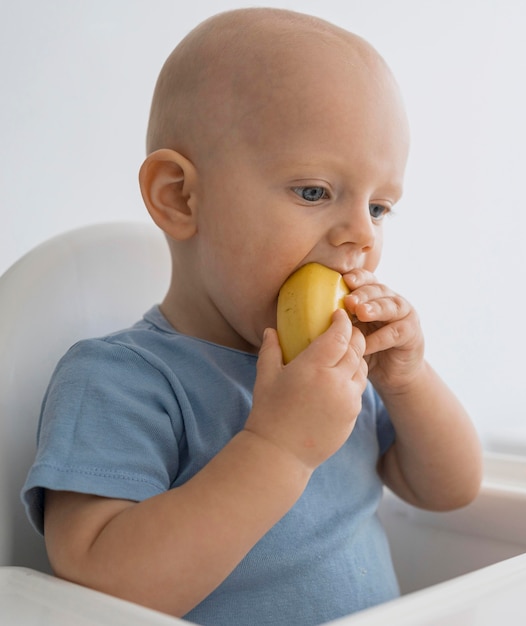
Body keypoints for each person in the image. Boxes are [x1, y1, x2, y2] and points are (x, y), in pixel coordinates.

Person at [22, 7, 482, 625]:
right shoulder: (121, 380)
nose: (358, 236)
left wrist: (408, 381)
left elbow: (449, 490)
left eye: (378, 207)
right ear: (180, 196)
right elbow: (103, 584)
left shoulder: (341, 365)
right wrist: (280, 448)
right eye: (314, 191)